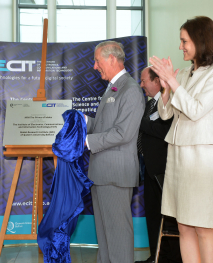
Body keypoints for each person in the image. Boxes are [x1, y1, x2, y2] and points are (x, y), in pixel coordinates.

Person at [149, 16, 213, 263]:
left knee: (203, 227)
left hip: (200, 156)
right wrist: (166, 88)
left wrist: (173, 82)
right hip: (177, 155)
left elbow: (196, 110)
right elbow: (166, 114)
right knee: (184, 226)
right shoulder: (184, 73)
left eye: (184, 41)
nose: (180, 46)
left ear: (200, 40)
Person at [85, 41, 145, 263]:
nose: (94, 66)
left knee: (118, 236)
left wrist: (86, 140)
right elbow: (105, 127)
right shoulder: (113, 87)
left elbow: (122, 134)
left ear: (112, 59)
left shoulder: (130, 90)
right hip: (102, 173)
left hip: (115, 175)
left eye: (97, 60)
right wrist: (83, 122)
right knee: (105, 236)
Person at [135, 67, 181, 263]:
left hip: (164, 170)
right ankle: (156, 256)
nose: (141, 85)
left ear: (156, 81)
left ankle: (173, 258)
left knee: (168, 217)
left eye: (144, 80)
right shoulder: (148, 105)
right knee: (153, 216)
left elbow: (164, 131)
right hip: (149, 168)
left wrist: (139, 122)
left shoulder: (167, 102)